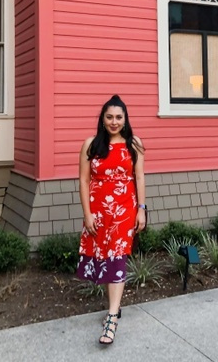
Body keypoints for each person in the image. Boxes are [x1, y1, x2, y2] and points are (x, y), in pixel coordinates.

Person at [76, 94, 146, 345]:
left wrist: (142, 209)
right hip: (97, 213)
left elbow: (139, 178)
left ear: (125, 119)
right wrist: (87, 214)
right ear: (102, 119)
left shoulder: (134, 144)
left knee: (117, 258)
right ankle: (114, 307)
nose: (114, 121)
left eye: (118, 117)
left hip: (124, 212)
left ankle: (112, 317)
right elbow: (84, 181)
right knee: (105, 258)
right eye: (109, 117)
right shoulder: (91, 145)